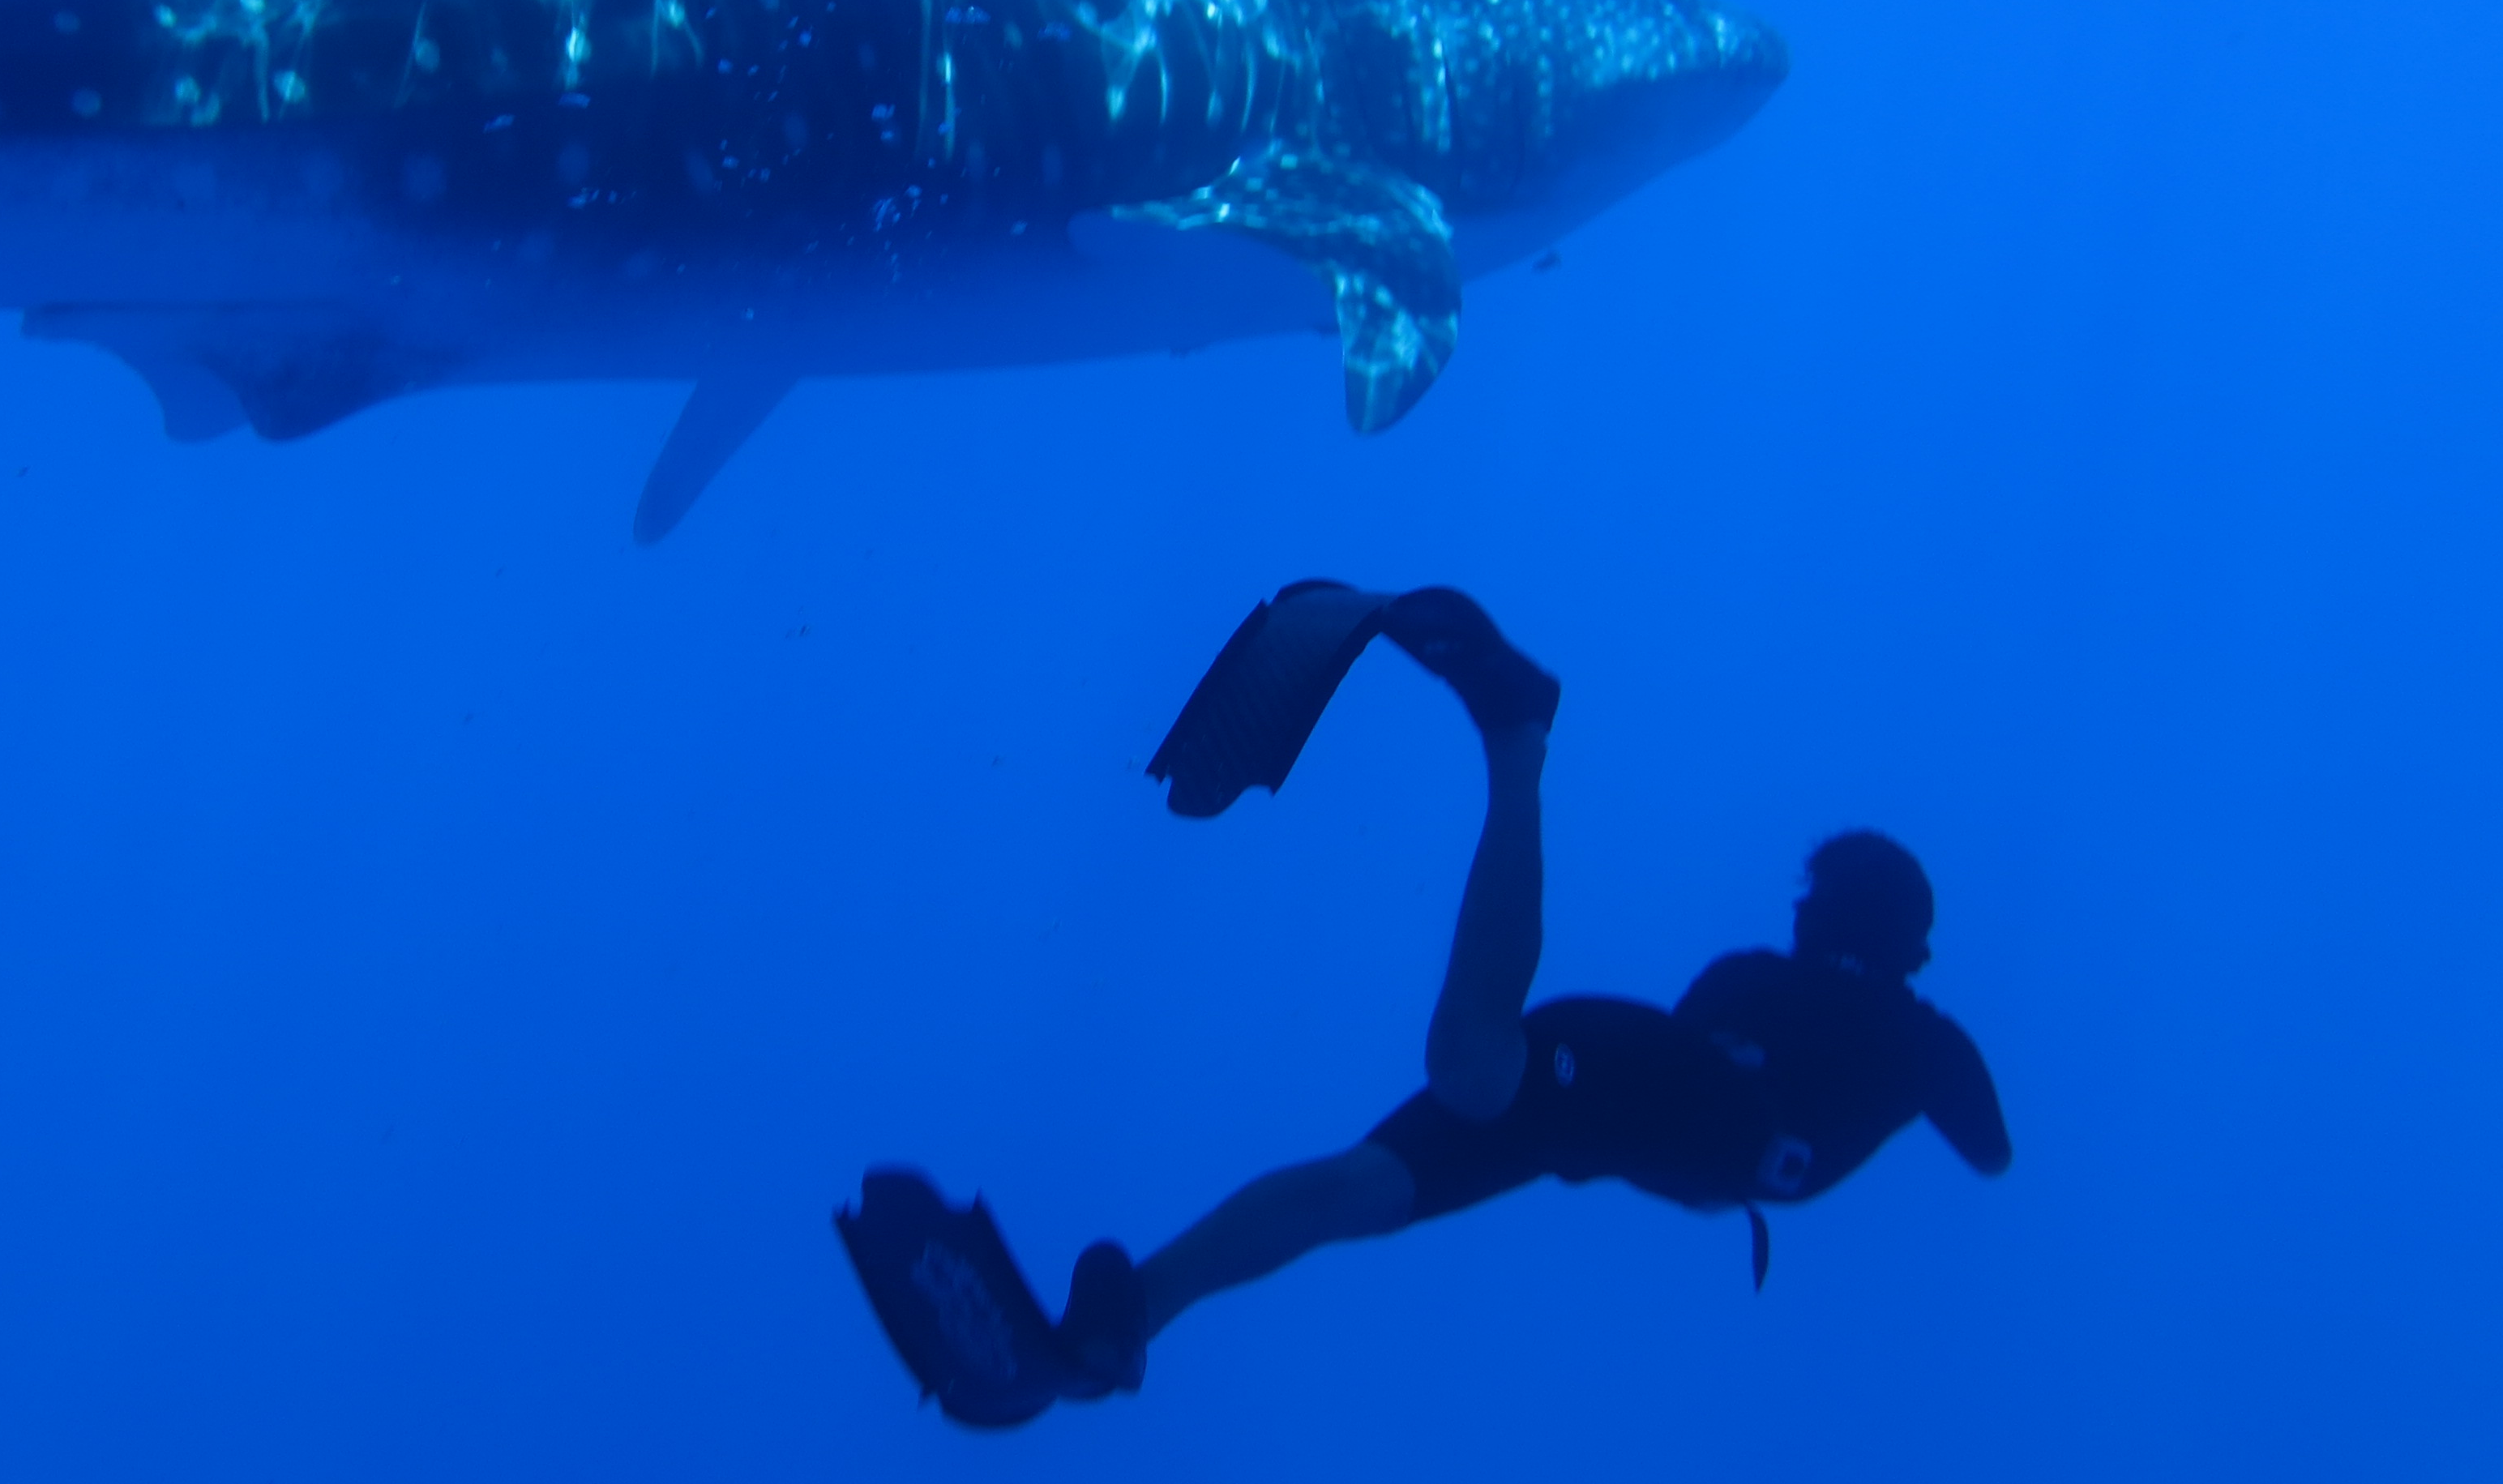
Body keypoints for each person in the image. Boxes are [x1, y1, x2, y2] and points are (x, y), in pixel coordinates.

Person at [836, 584, 2011, 1427]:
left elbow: (1698, 1031)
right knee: (1472, 1071)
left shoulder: (1772, 974)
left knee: (1360, 1185)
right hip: (1653, 1108)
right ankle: (1518, 739)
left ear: (1820, 917)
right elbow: (1991, 1152)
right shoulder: (1926, 1038)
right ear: (1913, 943)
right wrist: (1903, 1066)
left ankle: (1122, 1327)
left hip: (1615, 1104)